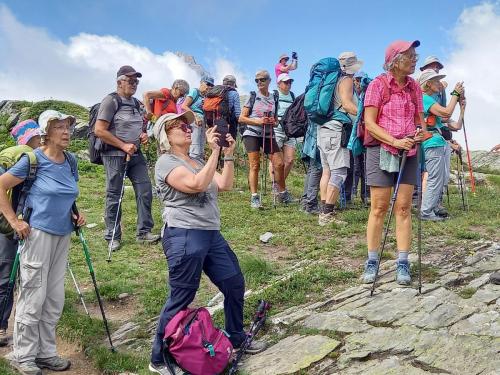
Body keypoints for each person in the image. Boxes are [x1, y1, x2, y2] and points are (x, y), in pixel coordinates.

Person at [149, 112, 265, 374]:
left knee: (233, 282)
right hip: (184, 234)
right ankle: (158, 358)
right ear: (165, 136)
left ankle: (236, 337)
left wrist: (227, 154)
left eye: (188, 125)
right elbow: (196, 184)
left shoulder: (195, 159)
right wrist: (213, 153)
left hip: (210, 233)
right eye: (179, 126)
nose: (187, 129)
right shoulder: (165, 163)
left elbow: (224, 184)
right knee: (182, 296)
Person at [0, 110, 85, 375]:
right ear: (45, 132)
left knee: (53, 297)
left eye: (68, 126)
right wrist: (15, 221)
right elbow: (1, 185)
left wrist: (76, 214)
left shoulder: (71, 160)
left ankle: (46, 352)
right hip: (37, 235)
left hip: (62, 235)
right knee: (33, 294)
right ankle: (23, 355)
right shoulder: (32, 160)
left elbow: (65, 193)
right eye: (59, 127)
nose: (66, 131)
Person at [362, 40, 426, 285]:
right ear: (394, 60)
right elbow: (370, 122)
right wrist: (395, 141)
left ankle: (402, 262)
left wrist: (419, 132)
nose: (414, 59)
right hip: (381, 149)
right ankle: (372, 260)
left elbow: (420, 121)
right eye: (409, 55)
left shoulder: (415, 88)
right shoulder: (378, 85)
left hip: (408, 152)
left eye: (414, 55)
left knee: (403, 207)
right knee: (378, 208)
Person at [95, 66, 160, 251]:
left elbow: (139, 125)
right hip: (115, 154)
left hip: (135, 153)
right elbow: (99, 130)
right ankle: (112, 236)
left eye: (136, 81)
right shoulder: (110, 101)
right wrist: (123, 145)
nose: (134, 84)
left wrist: (143, 135)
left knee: (145, 189)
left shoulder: (137, 103)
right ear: (119, 82)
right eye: (130, 81)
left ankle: (144, 232)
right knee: (115, 194)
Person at [0, 120, 41, 348]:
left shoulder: (8, 155)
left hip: (6, 225)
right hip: (18, 224)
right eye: (38, 136)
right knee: (11, 276)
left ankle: (2, 324)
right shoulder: (27, 157)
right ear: (30, 139)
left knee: (5, 274)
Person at [317, 52, 362, 225]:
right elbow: (346, 103)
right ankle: (327, 214)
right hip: (336, 129)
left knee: (327, 170)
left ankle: (324, 211)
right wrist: (365, 115)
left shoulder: (330, 80)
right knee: (340, 171)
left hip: (323, 129)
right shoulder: (346, 80)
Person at [239, 70, 291, 208]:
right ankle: (254, 197)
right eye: (257, 80)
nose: (259, 82)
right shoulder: (253, 96)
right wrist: (259, 121)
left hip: (268, 133)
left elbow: (276, 119)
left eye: (262, 80)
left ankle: (282, 193)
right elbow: (242, 118)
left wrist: (274, 122)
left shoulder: (274, 96)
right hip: (251, 133)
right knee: (255, 165)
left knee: (279, 163)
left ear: (269, 81)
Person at [419, 69, 465, 221]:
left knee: (441, 178)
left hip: (438, 142)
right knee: (434, 178)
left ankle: (432, 208)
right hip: (432, 142)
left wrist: (462, 108)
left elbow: (454, 123)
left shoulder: (429, 100)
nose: (439, 84)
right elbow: (446, 113)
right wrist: (455, 95)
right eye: (436, 81)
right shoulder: (425, 98)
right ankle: (426, 212)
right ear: (428, 83)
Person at [270, 73, 297, 192]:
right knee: (275, 160)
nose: (288, 84)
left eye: (290, 82)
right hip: (276, 129)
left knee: (289, 160)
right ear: (278, 83)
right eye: (286, 82)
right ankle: (277, 187)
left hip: (290, 129)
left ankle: (279, 185)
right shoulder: (274, 95)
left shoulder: (292, 95)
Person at [181, 76, 214, 161]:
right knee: (195, 145)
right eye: (208, 84)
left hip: (201, 122)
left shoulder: (205, 96)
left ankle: (199, 166)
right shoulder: (195, 91)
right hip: (193, 121)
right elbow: (184, 106)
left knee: (201, 145)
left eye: (212, 85)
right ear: (201, 83)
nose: (209, 87)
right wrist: (195, 116)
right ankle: (194, 167)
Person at [352, 71, 370, 203]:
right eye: (356, 79)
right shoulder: (350, 95)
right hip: (355, 134)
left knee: (366, 167)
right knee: (356, 166)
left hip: (365, 133)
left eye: (360, 80)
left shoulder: (367, 94)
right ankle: (353, 194)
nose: (357, 82)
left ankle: (366, 196)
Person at [222, 75, 242, 140]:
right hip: (230, 123)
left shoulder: (219, 92)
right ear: (233, 84)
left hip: (218, 122)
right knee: (230, 144)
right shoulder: (234, 93)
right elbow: (237, 112)